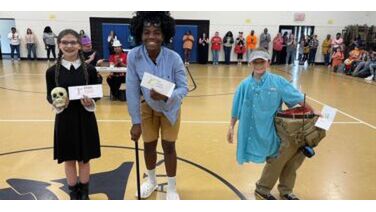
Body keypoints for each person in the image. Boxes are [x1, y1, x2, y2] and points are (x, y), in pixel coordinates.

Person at [227, 48, 320, 200]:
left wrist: (313, 110)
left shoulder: (278, 82)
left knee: (292, 158)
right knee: (276, 160)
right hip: (253, 131)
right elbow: (236, 107)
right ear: (250, 63)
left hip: (275, 130)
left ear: (268, 62)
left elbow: (296, 98)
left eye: (262, 61)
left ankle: (286, 190)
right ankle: (262, 189)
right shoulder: (244, 85)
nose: (259, 65)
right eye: (255, 61)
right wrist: (231, 126)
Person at [127, 11, 188, 200]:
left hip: (170, 109)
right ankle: (151, 181)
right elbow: (131, 89)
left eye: (157, 32)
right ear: (140, 33)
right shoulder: (134, 57)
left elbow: (184, 89)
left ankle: (171, 187)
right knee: (149, 145)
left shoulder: (174, 58)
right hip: (147, 108)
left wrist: (166, 94)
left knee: (169, 147)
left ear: (164, 35)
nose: (151, 36)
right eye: (147, 32)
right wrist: (135, 121)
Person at [45, 29, 101, 200]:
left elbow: (96, 93)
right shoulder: (52, 71)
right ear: (59, 45)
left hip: (85, 119)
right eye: (65, 42)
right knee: (69, 159)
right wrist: (56, 103)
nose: (69, 46)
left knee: (85, 159)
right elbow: (49, 94)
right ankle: (72, 193)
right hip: (65, 120)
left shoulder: (89, 70)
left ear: (79, 45)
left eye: (73, 42)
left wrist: (91, 102)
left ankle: (84, 193)